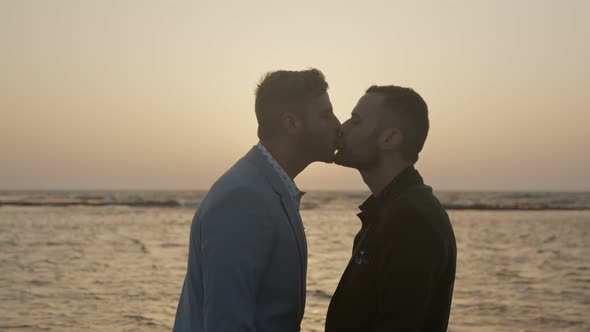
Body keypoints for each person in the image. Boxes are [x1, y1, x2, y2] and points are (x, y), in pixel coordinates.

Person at [172, 68, 341, 332]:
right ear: (291, 123)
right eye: (325, 115)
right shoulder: (243, 199)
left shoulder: (268, 187)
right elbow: (226, 322)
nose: (337, 125)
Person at [326, 85, 456, 331]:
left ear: (389, 139)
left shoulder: (413, 220)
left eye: (356, 121)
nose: (341, 128)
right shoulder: (389, 210)